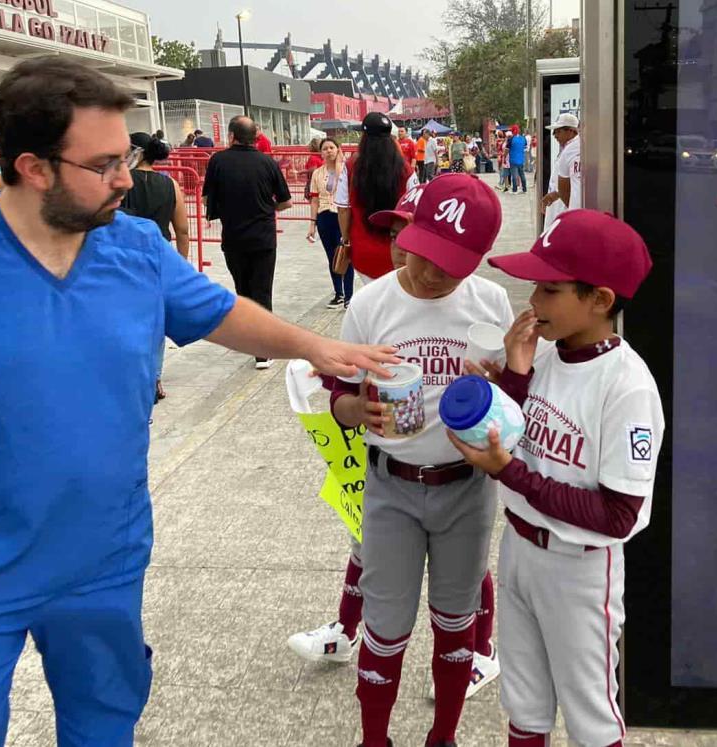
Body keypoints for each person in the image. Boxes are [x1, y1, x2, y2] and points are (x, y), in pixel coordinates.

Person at [0, 55, 398, 747]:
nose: (126, 179)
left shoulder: (133, 246)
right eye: (103, 163)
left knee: (104, 722)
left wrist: (316, 347)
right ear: (33, 166)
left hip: (101, 556)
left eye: (126, 154)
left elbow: (218, 311)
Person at [453, 209, 662, 747]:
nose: (534, 302)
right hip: (521, 547)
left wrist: (509, 473)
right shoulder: (544, 355)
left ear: (600, 300)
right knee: (524, 704)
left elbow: (618, 516)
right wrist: (515, 377)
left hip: (579, 566)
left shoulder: (627, 386)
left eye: (549, 289)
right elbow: (521, 437)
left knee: (590, 714)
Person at [287, 187, 503, 705]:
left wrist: (502, 386)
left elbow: (516, 398)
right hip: (391, 481)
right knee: (386, 623)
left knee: (456, 621)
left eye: (452, 265)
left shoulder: (488, 301)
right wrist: (357, 411)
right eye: (423, 253)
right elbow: (340, 395)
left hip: (465, 483)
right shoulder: (371, 302)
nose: (432, 273)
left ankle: (446, 730)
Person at [203, 115, 292, 370]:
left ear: (231, 136)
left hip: (233, 237)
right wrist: (267, 207)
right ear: (255, 137)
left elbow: (208, 200)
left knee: (242, 291)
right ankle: (263, 351)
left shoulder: (217, 161)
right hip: (264, 237)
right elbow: (286, 202)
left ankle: (248, 339)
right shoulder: (267, 162)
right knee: (262, 291)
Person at [121, 131, 192, 403]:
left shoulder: (122, 182)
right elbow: (182, 230)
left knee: (128, 319)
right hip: (159, 257)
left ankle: (133, 377)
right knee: (155, 323)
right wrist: (181, 267)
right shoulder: (170, 184)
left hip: (125, 258)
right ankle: (155, 378)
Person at [335, 111, 416, 281]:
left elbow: (343, 209)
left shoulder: (350, 167)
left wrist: (346, 239)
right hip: (398, 252)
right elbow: (414, 210)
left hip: (363, 250)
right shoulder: (405, 169)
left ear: (364, 136)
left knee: (373, 297)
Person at [306, 137, 354, 309]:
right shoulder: (318, 173)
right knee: (331, 256)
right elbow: (314, 200)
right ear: (321, 152)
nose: (329, 151)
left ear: (338, 149)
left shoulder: (345, 171)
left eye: (332, 148)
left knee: (345, 253)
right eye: (325, 148)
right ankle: (338, 293)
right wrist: (312, 224)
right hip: (324, 217)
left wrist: (341, 162)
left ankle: (349, 295)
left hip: (342, 216)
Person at [540, 113, 581, 229]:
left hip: (566, 208)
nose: (554, 135)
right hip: (558, 205)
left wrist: (565, 201)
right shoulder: (567, 148)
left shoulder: (576, 149)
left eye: (558, 131)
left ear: (571, 131)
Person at [507, 124, 527, 194]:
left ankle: (515, 189)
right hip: (521, 159)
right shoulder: (523, 138)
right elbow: (525, 148)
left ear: (512, 131)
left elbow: (507, 150)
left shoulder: (510, 139)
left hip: (513, 159)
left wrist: (504, 156)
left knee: (514, 175)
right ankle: (524, 189)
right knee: (522, 175)